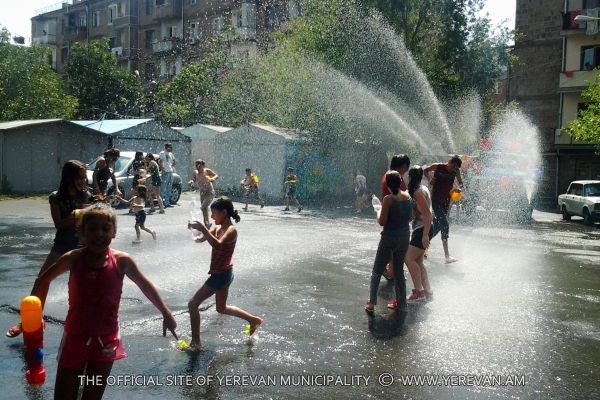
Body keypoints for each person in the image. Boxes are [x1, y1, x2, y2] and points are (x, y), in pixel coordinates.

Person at [28, 203, 178, 400]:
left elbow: (145, 285)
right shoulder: (73, 258)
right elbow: (43, 280)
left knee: (93, 396)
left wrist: (166, 313)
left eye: (105, 229)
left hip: (106, 341)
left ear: (114, 232)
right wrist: (35, 316)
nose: (99, 234)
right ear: (82, 232)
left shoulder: (122, 261)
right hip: (75, 337)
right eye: (92, 228)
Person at [6, 160, 92, 338]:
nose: (83, 181)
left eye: (84, 177)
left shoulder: (86, 196)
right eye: (80, 177)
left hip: (81, 246)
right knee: (41, 280)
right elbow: (59, 223)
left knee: (79, 286)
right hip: (61, 246)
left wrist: (95, 208)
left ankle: (83, 324)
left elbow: (91, 220)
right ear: (69, 177)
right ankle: (26, 321)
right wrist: (77, 215)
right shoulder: (56, 197)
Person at [187, 197, 263, 351]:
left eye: (214, 213)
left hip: (220, 276)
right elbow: (200, 239)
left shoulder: (231, 230)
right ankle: (253, 320)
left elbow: (218, 244)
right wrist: (194, 229)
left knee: (193, 304)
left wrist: (203, 228)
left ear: (224, 212)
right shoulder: (217, 228)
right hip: (224, 273)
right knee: (221, 308)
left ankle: (196, 342)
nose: (212, 216)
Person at [364, 171, 412, 315]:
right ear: (400, 182)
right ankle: (402, 305)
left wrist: (378, 211)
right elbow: (410, 218)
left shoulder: (388, 199)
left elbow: (382, 222)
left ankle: (371, 303)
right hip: (404, 237)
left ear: (387, 185)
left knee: (377, 271)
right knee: (399, 271)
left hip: (389, 237)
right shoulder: (408, 196)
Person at [404, 165, 438, 303]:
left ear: (411, 177)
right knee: (418, 261)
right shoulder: (423, 188)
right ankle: (428, 291)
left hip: (423, 228)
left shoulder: (418, 192)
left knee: (408, 258)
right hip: (423, 228)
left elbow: (427, 215)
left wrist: (425, 235)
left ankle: (419, 292)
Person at [424, 155, 464, 264]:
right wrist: (430, 179)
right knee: (445, 224)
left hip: (446, 202)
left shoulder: (456, 172)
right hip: (435, 200)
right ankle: (447, 256)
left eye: (456, 168)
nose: (454, 169)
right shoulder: (438, 166)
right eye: (453, 166)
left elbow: (461, 184)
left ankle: (422, 245)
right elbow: (425, 170)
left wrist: (458, 189)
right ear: (449, 162)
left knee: (437, 226)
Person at [380, 154, 411, 280]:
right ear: (403, 166)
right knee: (396, 247)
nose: (407, 171)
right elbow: (402, 197)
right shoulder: (395, 177)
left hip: (391, 217)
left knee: (392, 247)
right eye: (407, 167)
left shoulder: (388, 175)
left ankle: (391, 271)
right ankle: (388, 270)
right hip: (396, 218)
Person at [188, 159, 219, 227]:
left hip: (210, 192)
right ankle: (207, 223)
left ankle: (207, 222)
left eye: (199, 166)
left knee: (203, 207)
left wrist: (213, 178)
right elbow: (193, 179)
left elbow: (216, 175)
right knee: (204, 208)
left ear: (203, 165)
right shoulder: (195, 172)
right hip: (202, 193)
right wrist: (191, 182)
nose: (197, 167)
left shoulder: (207, 171)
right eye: (196, 165)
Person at [158, 143, 177, 207]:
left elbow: (174, 161)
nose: (171, 148)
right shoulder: (162, 153)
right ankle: (161, 203)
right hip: (165, 172)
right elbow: (160, 161)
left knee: (169, 187)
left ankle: (167, 202)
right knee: (163, 187)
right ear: (167, 147)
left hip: (170, 171)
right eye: (170, 147)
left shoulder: (171, 154)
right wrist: (162, 168)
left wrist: (172, 165)